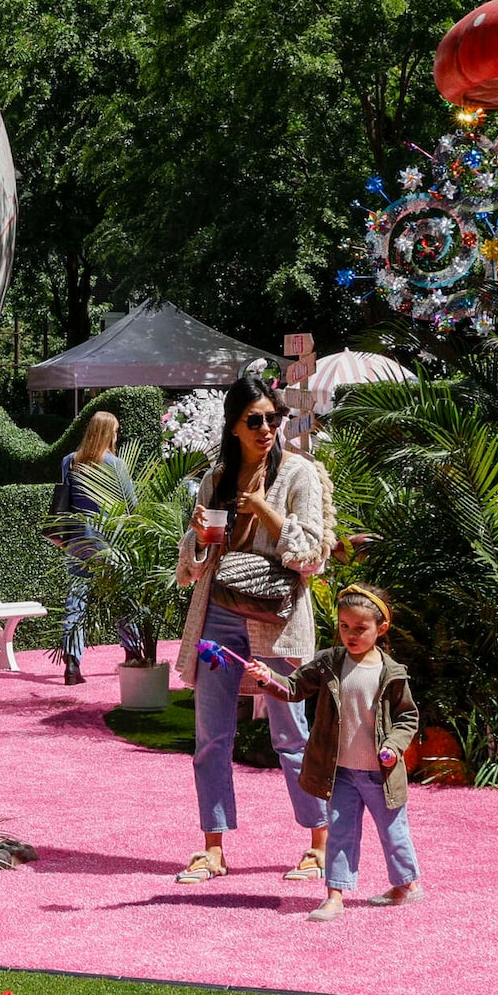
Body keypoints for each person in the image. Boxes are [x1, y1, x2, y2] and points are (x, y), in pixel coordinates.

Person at [171, 375, 334, 885]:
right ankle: (213, 848)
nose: (267, 429)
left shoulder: (300, 475)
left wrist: (262, 507)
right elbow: (190, 567)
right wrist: (198, 539)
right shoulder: (217, 476)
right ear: (234, 425)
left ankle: (319, 844)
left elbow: (310, 555)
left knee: (291, 733)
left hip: (277, 621)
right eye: (255, 420)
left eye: (273, 418)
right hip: (219, 612)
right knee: (211, 735)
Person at [239, 585, 423, 920]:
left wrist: (393, 746)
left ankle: (405, 885)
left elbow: (407, 717)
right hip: (340, 773)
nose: (351, 634)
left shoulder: (391, 672)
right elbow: (294, 689)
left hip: (381, 774)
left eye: (360, 628)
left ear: (381, 629)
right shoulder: (329, 663)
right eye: (344, 626)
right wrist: (268, 678)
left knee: (393, 834)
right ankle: (334, 895)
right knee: (339, 833)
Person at [49, 411, 137, 688]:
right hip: (109, 542)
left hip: (78, 540)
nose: (117, 436)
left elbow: (64, 500)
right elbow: (130, 504)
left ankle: (72, 664)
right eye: (115, 431)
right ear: (108, 432)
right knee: (123, 598)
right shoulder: (116, 465)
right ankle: (134, 652)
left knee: (76, 600)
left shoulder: (70, 462)